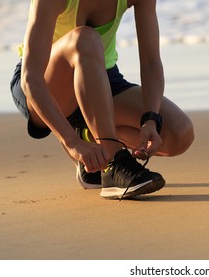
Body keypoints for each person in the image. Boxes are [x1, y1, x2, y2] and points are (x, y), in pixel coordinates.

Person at [10, 0, 194, 199]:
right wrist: (71, 143)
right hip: (47, 87)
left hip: (101, 78)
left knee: (179, 133)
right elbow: (31, 80)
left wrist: (150, 118)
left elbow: (150, 62)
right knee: (85, 38)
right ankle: (114, 164)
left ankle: (89, 134)